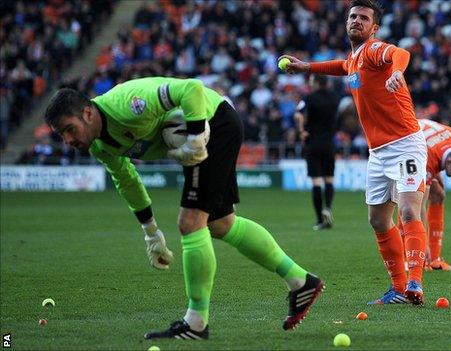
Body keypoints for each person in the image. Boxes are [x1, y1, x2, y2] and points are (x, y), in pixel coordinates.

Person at [44, 77, 325, 340]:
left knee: (190, 222)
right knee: (221, 223)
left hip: (214, 121)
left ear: (88, 113)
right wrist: (151, 233)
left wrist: (194, 138)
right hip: (216, 126)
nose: (68, 140)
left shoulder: (127, 104)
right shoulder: (98, 146)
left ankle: (195, 323)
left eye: (70, 129)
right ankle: (301, 281)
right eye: (61, 135)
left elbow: (191, 88)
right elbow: (127, 180)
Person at [280, 0, 428, 305]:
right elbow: (341, 66)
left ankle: (415, 282)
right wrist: (306, 66)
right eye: (352, 16)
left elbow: (400, 53)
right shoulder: (354, 59)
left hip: (405, 145)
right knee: (377, 221)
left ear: (374, 28)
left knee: (409, 210)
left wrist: (397, 72)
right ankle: (398, 289)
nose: (356, 21)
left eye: (363, 17)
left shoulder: (374, 50)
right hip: (378, 153)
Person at [395, 119, 451, 271]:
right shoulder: (427, 159)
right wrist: (423, 243)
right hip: (401, 146)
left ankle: (435, 260)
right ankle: (408, 258)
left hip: (419, 138)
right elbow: (421, 207)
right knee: (411, 204)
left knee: (438, 195)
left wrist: (435, 176)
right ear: (450, 162)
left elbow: (439, 154)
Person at [293, 75, 339, 231]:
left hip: (313, 142)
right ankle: (328, 207)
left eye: (312, 80)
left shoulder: (309, 98)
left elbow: (298, 114)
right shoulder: (334, 97)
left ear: (317, 83)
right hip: (329, 143)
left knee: (316, 182)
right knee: (329, 179)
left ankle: (320, 219)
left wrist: (301, 132)